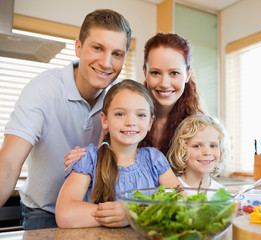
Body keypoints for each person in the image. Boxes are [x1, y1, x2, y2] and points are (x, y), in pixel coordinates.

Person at [0, 9, 132, 230]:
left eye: (117, 54)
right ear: (78, 47)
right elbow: (9, 163)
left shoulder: (120, 100)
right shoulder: (42, 90)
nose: (106, 63)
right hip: (44, 211)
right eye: (97, 48)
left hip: (93, 211)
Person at [55, 80, 181, 228]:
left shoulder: (154, 159)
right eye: (120, 114)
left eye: (140, 115)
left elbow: (184, 202)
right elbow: (65, 214)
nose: (130, 122)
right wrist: (118, 214)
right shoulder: (88, 159)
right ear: (105, 120)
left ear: (150, 123)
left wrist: (133, 213)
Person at [64, 32, 204, 165]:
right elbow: (102, 155)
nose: (164, 83)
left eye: (174, 73)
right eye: (155, 73)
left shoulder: (198, 127)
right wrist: (84, 157)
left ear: (187, 74)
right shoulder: (121, 112)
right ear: (145, 72)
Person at [167, 114, 230, 196]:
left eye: (213, 146)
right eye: (197, 146)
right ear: (182, 150)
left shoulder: (223, 193)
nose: (207, 152)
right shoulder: (170, 190)